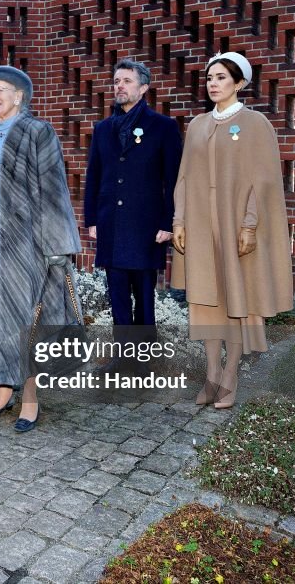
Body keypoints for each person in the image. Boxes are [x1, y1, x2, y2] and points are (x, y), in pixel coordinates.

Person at [172, 52, 293, 409]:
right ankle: (211, 373)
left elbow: (265, 182)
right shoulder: (196, 125)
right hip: (200, 227)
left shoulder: (255, 124)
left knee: (236, 301)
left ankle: (231, 375)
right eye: (210, 77)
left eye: (221, 77)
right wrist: (179, 220)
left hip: (234, 225)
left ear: (239, 83)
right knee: (206, 302)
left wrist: (250, 224)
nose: (213, 83)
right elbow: (182, 178)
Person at [0, 66, 82, 432]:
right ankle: (3, 391)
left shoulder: (38, 131)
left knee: (28, 321)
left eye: (2, 89)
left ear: (20, 96)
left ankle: (29, 398)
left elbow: (53, 190)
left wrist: (57, 245)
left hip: (29, 244)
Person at [85, 59, 183, 375]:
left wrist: (168, 223)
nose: (120, 86)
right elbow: (94, 176)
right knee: (117, 296)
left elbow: (174, 179)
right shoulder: (102, 129)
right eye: (116, 81)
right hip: (111, 225)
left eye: (127, 81)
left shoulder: (164, 127)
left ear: (143, 88)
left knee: (143, 297)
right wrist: (92, 219)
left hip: (146, 228)